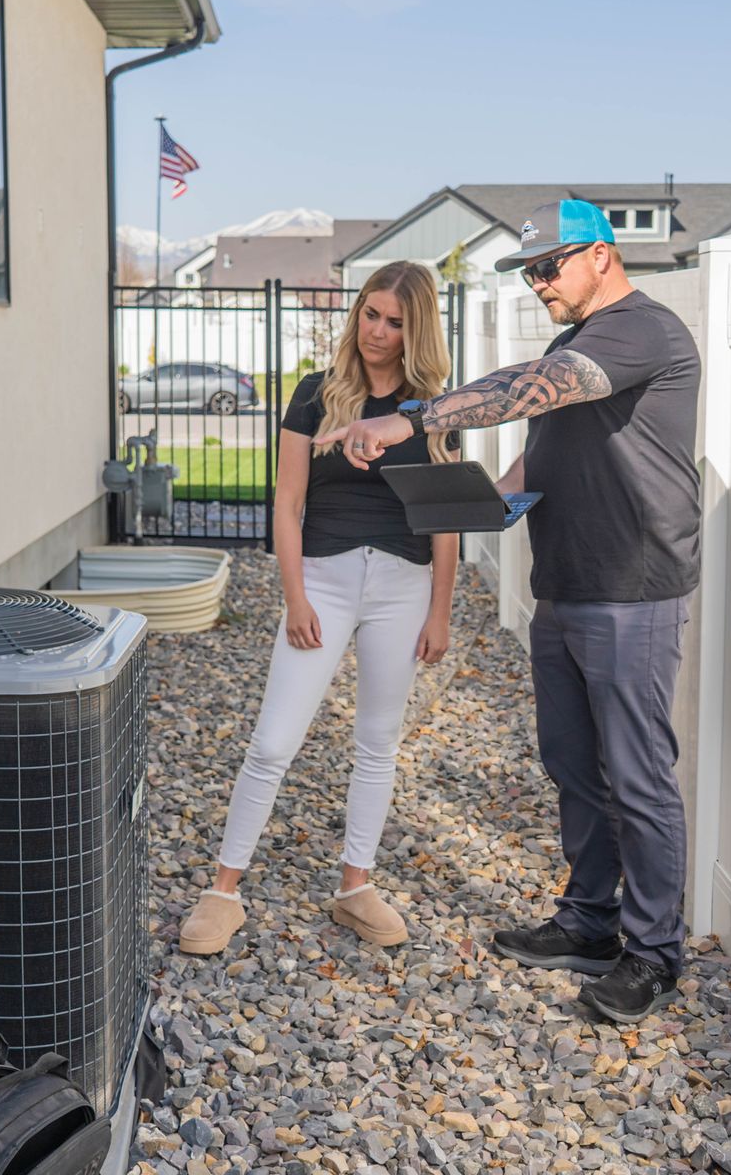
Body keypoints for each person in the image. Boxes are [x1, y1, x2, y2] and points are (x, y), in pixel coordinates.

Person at [314, 201, 701, 1023]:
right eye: (527, 271)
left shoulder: (642, 330)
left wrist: (410, 417)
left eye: (549, 266)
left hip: (632, 591)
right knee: (571, 768)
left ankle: (655, 954)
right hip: (563, 584)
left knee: (637, 780)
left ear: (600, 254)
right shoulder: (578, 341)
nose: (537, 283)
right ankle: (591, 924)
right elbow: (550, 441)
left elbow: (525, 393)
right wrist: (494, 499)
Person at [178, 262, 461, 956]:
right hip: (325, 582)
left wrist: (441, 612)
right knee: (274, 741)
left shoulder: (433, 406)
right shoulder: (315, 395)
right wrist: (295, 594)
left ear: (416, 330)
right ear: (357, 313)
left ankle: (355, 888)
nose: (379, 332)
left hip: (404, 585)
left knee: (377, 743)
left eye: (396, 322)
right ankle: (223, 892)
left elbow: (447, 517)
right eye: (371, 314)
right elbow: (288, 503)